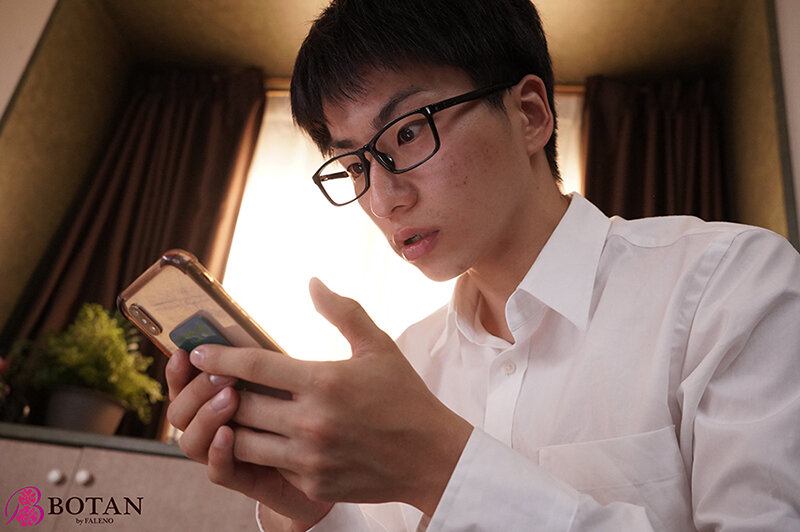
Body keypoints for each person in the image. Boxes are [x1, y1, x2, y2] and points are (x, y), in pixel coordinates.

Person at [165, 0, 800, 530]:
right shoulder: (409, 364)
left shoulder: (727, 284)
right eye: (355, 165)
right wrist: (314, 514)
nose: (383, 199)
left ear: (529, 115)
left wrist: (442, 469)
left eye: (407, 132)